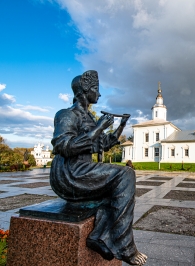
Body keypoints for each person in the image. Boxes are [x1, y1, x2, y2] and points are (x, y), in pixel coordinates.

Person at [50, 70, 147, 265]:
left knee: (117, 185)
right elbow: (63, 146)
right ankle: (125, 247)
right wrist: (99, 128)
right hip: (69, 172)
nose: (99, 95)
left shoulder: (89, 118)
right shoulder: (66, 114)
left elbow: (103, 143)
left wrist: (120, 126)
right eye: (96, 90)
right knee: (125, 175)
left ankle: (97, 236)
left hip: (82, 170)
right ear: (86, 91)